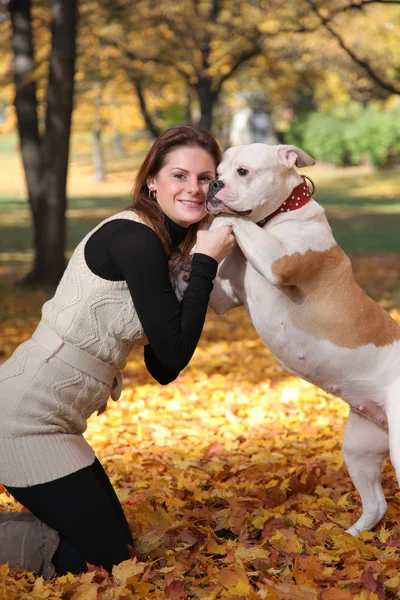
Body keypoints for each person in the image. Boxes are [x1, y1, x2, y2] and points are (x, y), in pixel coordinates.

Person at [0, 125, 234, 577]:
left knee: (117, 548)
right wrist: (205, 264)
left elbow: (164, 367)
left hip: (61, 422)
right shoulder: (136, 238)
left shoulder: (162, 246)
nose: (193, 189)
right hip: (22, 418)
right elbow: (175, 349)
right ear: (152, 180)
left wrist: (188, 280)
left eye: (206, 179)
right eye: (180, 175)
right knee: (104, 562)